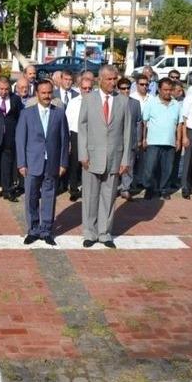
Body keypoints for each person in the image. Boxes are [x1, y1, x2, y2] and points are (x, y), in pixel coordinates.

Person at [78, 65, 132, 249]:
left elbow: (127, 133)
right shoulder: (89, 99)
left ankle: (105, 233)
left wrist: (125, 160)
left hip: (114, 157)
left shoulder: (123, 102)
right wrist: (83, 154)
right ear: (99, 80)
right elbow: (82, 128)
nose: (113, 82)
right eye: (109, 79)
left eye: (115, 78)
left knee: (108, 197)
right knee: (90, 196)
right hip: (91, 157)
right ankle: (89, 232)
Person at [16, 79, 69, 246]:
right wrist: (21, 163)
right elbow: (20, 139)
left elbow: (64, 139)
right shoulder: (27, 113)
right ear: (37, 94)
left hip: (52, 162)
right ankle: (33, 229)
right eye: (43, 93)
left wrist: (63, 163)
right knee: (31, 196)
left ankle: (46, 229)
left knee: (49, 196)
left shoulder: (59, 113)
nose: (47, 96)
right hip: (32, 162)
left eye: (49, 93)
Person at [141, 78, 181, 200]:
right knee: (150, 168)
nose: (168, 92)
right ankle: (149, 189)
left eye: (170, 90)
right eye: (165, 90)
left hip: (169, 142)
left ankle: (164, 189)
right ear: (159, 89)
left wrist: (178, 140)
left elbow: (180, 124)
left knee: (167, 169)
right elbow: (144, 121)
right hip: (153, 141)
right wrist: (143, 138)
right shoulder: (151, 103)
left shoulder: (176, 104)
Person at [65, 78, 94, 201]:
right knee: (74, 164)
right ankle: (73, 189)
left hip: (92, 136)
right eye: (84, 88)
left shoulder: (96, 102)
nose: (87, 90)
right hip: (76, 134)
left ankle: (87, 189)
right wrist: (69, 141)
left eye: (89, 88)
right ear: (79, 88)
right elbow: (67, 122)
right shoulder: (73, 102)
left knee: (89, 164)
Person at [117, 78, 143, 200]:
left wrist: (138, 139)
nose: (126, 90)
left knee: (129, 165)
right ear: (118, 89)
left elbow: (138, 122)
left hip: (130, 140)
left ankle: (125, 188)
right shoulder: (114, 102)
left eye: (128, 88)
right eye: (123, 88)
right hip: (116, 140)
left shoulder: (135, 103)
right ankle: (114, 187)